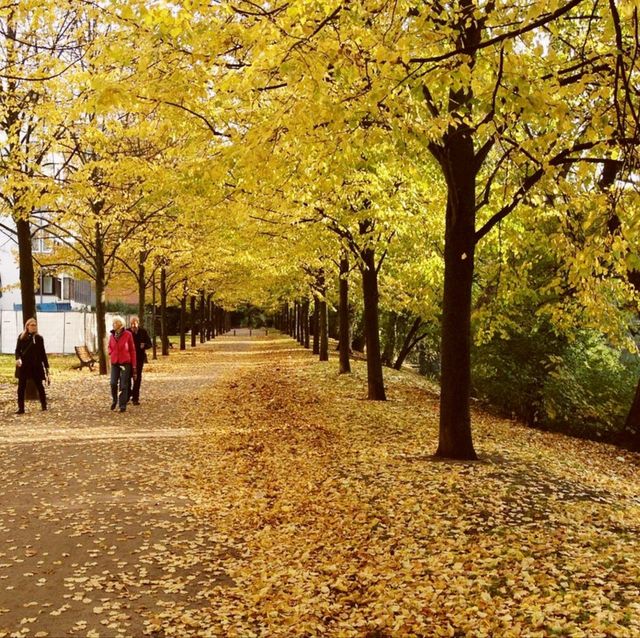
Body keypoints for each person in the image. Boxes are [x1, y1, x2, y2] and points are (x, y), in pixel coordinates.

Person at [14, 317, 49, 414]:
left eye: (35, 325)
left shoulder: (39, 338)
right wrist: (18, 359)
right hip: (24, 366)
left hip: (36, 366)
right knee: (21, 387)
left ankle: (44, 406)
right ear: (27, 326)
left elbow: (43, 353)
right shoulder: (21, 337)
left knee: (40, 386)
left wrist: (46, 367)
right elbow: (17, 350)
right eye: (32, 325)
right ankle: (21, 408)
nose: (34, 327)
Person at [108, 316, 136, 413]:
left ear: (120, 324)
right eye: (113, 323)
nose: (113, 325)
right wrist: (111, 352)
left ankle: (122, 405)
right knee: (112, 383)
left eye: (115, 323)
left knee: (123, 385)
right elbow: (109, 346)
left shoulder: (128, 334)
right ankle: (114, 400)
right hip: (115, 362)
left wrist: (134, 365)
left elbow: (132, 350)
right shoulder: (112, 335)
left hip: (125, 363)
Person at [127, 316, 152, 405]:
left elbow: (150, 344)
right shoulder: (127, 332)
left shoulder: (143, 332)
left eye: (135, 323)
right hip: (128, 359)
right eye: (132, 323)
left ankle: (135, 398)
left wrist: (144, 345)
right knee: (127, 378)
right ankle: (128, 394)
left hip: (139, 358)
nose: (133, 325)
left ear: (138, 323)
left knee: (137, 378)